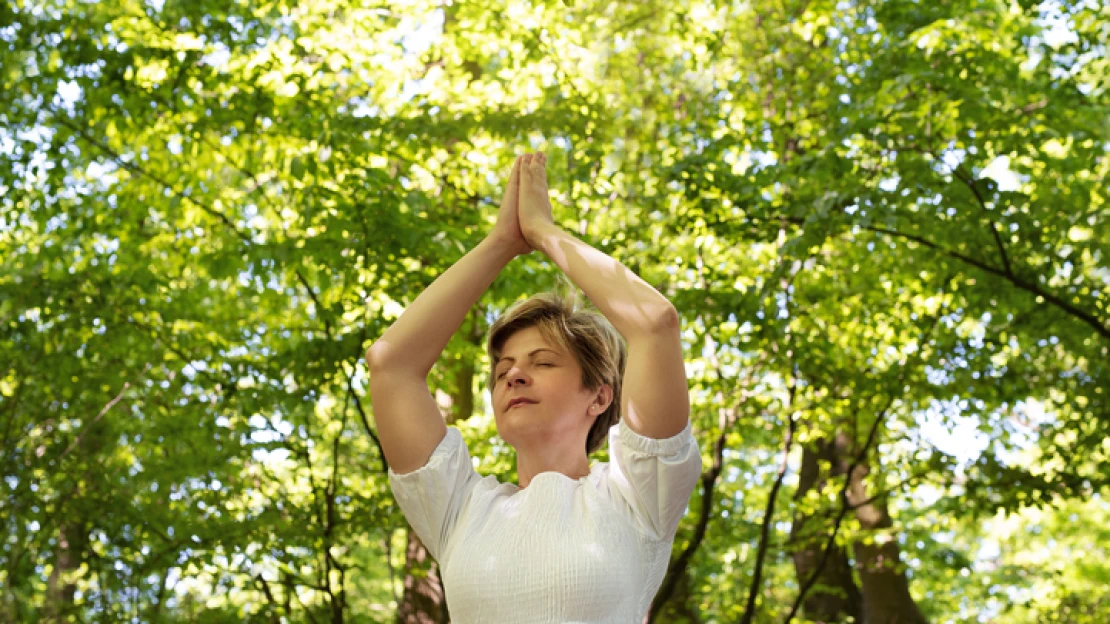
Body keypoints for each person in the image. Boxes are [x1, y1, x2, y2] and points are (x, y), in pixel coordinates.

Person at [365, 152, 702, 623]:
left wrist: (544, 233)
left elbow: (655, 324)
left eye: (542, 362)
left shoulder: (639, 495)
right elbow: (390, 364)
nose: (514, 376)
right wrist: (500, 241)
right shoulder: (459, 509)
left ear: (600, 396)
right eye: (502, 370)